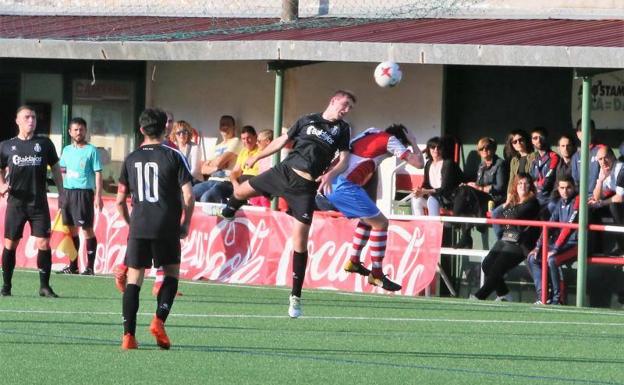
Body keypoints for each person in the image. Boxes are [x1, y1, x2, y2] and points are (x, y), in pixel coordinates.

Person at [220, 90, 356, 318]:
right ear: (333, 100)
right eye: (345, 104)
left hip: (305, 187)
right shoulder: (307, 119)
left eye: (350, 108)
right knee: (242, 190)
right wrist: (257, 156)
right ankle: (229, 210)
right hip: (283, 172)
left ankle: (295, 297)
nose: (346, 110)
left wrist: (331, 175)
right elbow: (283, 140)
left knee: (300, 242)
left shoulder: (342, 129)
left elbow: (344, 160)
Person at [116, 108, 194, 350]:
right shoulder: (174, 155)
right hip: (166, 224)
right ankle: (159, 320)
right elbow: (189, 195)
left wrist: (131, 223)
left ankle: (128, 335)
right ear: (166, 128)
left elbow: (119, 200)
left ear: (141, 130)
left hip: (139, 224)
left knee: (134, 279)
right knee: (171, 273)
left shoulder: (130, 158)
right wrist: (185, 223)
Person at [324, 124, 424, 291]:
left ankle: (354, 262)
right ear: (401, 140)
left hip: (331, 182)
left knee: (370, 218)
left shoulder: (370, 132)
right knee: (381, 224)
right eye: (404, 145)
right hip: (342, 185)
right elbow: (419, 163)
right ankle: (376, 273)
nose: (401, 151)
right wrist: (413, 142)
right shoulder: (391, 141)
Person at [0, 105, 64, 297]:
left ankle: (44, 286)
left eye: (34, 118)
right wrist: (2, 185)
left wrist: (62, 192)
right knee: (11, 244)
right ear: (17, 121)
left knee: (44, 243)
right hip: (16, 203)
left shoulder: (44, 144)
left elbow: (55, 168)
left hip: (38, 203)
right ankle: (6, 285)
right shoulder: (6, 146)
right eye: (27, 117)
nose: (31, 121)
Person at [470, 173, 540, 301]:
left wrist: (508, 213)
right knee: (486, 265)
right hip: (507, 236)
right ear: (515, 186)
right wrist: (507, 209)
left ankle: (479, 296)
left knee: (497, 269)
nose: (522, 186)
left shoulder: (532, 202)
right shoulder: (513, 201)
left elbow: (512, 216)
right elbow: (497, 215)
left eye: (526, 183)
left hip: (521, 242)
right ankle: (504, 294)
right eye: (519, 183)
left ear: (531, 186)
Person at [55, 117, 103, 275]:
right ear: (70, 132)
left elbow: (98, 174)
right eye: (75, 129)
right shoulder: (67, 150)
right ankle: (73, 266)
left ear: (85, 131)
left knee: (87, 229)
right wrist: (61, 193)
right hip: (68, 193)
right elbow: (62, 171)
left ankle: (90, 267)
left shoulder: (92, 150)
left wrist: (98, 195)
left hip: (84, 194)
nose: (78, 132)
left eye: (81, 129)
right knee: (71, 230)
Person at [527, 176, 579, 305]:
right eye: (562, 188)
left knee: (552, 260)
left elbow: (568, 229)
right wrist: (539, 246)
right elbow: (549, 225)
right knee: (532, 258)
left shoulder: (578, 201)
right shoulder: (560, 202)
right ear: (558, 189)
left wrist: (555, 249)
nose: (565, 191)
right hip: (561, 244)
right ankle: (543, 296)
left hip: (577, 244)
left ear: (574, 188)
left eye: (568, 188)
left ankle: (558, 299)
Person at [453, 137, 507, 248]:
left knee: (465, 193)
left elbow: (499, 187)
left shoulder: (500, 164)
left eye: (488, 148)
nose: (485, 151)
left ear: (494, 149)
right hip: (481, 198)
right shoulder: (482, 165)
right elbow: (478, 184)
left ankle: (455, 221)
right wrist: (472, 186)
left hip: (494, 199)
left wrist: (478, 188)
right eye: (481, 149)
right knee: (463, 190)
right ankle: (466, 236)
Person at [492, 129, 535, 239]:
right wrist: (509, 199)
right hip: (515, 197)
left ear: (526, 141)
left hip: (528, 197)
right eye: (514, 142)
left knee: (512, 215)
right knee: (496, 213)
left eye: (521, 140)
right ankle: (502, 240)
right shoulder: (514, 160)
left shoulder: (534, 156)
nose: (518, 143)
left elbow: (533, 179)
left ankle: (512, 241)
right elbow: (511, 181)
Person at [192, 115, 241, 202]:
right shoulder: (216, 146)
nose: (224, 127)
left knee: (206, 198)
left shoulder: (236, 141)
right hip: (211, 180)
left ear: (234, 127)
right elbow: (203, 169)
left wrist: (212, 164)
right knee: (188, 194)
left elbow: (219, 162)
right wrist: (217, 167)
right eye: (222, 124)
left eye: (228, 124)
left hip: (225, 181)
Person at [411, 136, 462, 216]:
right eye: (433, 147)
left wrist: (426, 191)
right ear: (428, 149)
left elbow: (445, 189)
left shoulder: (448, 163)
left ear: (443, 149)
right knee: (416, 199)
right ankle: (421, 225)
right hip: (435, 196)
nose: (436, 150)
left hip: (448, 199)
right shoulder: (428, 164)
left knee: (432, 199)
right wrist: (420, 190)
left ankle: (433, 226)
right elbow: (426, 184)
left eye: (439, 147)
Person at [588, 146, 624, 255]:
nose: (603, 162)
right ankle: (597, 249)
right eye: (600, 159)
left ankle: (623, 248)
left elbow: (620, 197)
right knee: (591, 208)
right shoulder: (603, 169)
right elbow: (596, 197)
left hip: (621, 202)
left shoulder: (621, 169)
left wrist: (601, 203)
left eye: (606, 158)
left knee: (614, 206)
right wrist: (600, 181)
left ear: (613, 157)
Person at [528, 127, 559, 212]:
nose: (538, 140)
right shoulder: (535, 160)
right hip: (535, 198)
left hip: (548, 199)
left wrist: (536, 184)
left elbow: (546, 183)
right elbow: (529, 180)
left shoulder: (554, 157)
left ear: (546, 138)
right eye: (535, 138)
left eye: (541, 137)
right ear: (532, 141)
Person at [571, 118, 601, 197]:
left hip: (599, 196)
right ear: (578, 134)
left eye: (589, 130)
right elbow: (574, 181)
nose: (585, 133)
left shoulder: (602, 150)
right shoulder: (575, 156)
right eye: (582, 130)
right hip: (581, 197)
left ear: (593, 132)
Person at [248, 129, 274, 207]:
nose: (256, 143)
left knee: (263, 198)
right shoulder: (261, 155)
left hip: (269, 189)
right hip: (260, 187)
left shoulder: (274, 156)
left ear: (267, 141)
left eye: (259, 141)